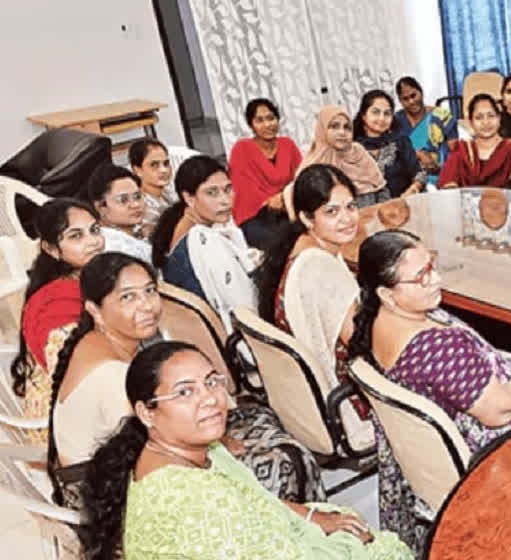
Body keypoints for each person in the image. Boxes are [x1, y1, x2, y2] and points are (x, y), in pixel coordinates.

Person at [75, 341, 422, 560]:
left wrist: (314, 517)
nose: (209, 398)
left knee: (346, 524)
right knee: (391, 558)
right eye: (185, 392)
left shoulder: (183, 454)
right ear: (146, 412)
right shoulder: (187, 497)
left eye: (211, 381)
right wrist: (348, 543)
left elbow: (258, 501)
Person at [47, 253, 325, 508]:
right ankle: (300, 529)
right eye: (128, 298)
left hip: (128, 463)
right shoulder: (113, 376)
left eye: (150, 291)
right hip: (113, 496)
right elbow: (158, 452)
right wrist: (223, 447)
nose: (147, 306)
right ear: (95, 310)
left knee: (257, 415)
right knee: (282, 462)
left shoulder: (104, 341)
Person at [256, 164, 429, 550]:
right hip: (346, 402)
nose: (347, 218)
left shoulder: (302, 250)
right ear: (307, 218)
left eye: (350, 206)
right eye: (331, 211)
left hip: (314, 401)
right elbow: (368, 345)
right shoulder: (320, 267)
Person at [348, 230, 511, 453]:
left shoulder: (377, 320)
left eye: (431, 266)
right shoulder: (436, 349)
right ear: (387, 294)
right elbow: (502, 412)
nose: (436, 280)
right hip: (508, 442)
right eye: (421, 277)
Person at [10, 199, 105, 430]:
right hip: (66, 426)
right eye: (76, 236)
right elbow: (73, 379)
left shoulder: (82, 281)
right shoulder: (56, 304)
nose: (93, 241)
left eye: (94, 230)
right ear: (51, 249)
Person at [150, 155, 257, 332]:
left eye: (228, 189)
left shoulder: (190, 221)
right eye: (211, 193)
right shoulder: (197, 240)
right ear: (189, 198)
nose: (225, 200)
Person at [227, 98, 303, 247]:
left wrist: (284, 198)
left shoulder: (287, 145)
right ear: (251, 125)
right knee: (281, 245)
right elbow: (243, 190)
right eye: (259, 120)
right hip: (256, 216)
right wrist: (270, 201)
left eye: (271, 118)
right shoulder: (242, 149)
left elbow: (301, 177)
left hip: (290, 207)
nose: (267, 124)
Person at [437, 94, 511, 192]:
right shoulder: (461, 152)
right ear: (471, 122)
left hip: (507, 204)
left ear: (499, 118)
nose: (486, 122)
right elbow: (448, 188)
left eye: (491, 116)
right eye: (479, 117)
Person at [299, 105, 390, 207]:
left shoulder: (358, 152)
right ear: (322, 130)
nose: (342, 132)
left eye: (347, 127)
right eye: (334, 126)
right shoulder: (313, 165)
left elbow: (382, 190)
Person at [352, 89, 425, 198]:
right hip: (367, 207)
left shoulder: (400, 142)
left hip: (401, 203)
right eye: (375, 112)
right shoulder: (352, 148)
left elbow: (419, 173)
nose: (382, 118)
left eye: (387, 113)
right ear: (363, 115)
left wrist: (413, 189)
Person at [394, 76, 457, 185]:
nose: (411, 101)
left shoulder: (442, 116)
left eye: (413, 95)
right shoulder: (395, 122)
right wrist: (418, 154)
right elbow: (391, 152)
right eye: (405, 99)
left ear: (421, 92)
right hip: (408, 181)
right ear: (400, 101)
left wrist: (439, 167)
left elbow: (455, 152)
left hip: (442, 177)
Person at [85, 164, 153, 261]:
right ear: (101, 207)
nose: (135, 205)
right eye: (123, 200)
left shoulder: (140, 232)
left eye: (137, 196)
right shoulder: (111, 248)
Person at [128, 139, 177, 227]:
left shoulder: (169, 193)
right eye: (154, 165)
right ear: (138, 170)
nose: (164, 170)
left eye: (166, 163)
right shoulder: (141, 206)